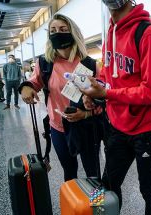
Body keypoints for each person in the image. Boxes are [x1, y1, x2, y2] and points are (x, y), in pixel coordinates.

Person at [81, 0, 151, 215]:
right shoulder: (110, 32)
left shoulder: (149, 34)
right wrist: (96, 93)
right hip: (116, 125)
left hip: (146, 129)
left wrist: (106, 94)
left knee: (148, 188)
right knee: (108, 182)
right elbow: (110, 73)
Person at [20, 14, 101, 182]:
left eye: (63, 30)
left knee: (93, 172)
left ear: (73, 33)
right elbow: (33, 82)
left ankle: (97, 206)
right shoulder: (45, 63)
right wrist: (26, 88)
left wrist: (85, 114)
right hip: (58, 127)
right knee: (69, 170)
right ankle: (71, 205)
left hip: (86, 126)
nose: (58, 33)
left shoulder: (89, 64)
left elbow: (104, 99)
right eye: (53, 30)